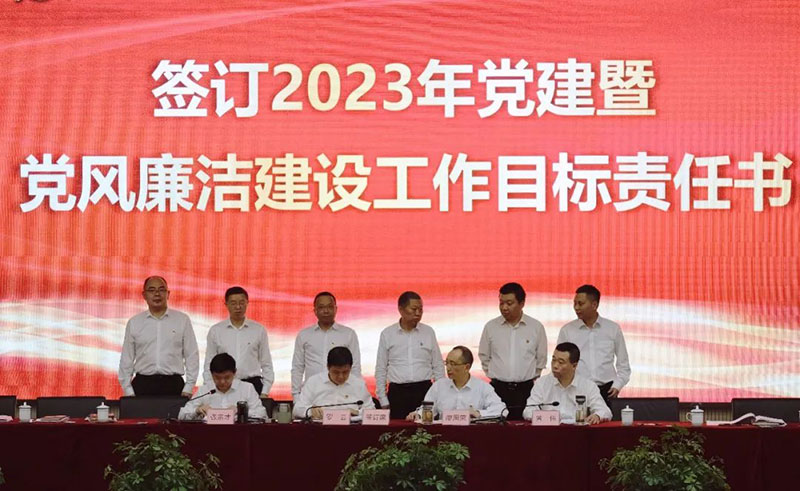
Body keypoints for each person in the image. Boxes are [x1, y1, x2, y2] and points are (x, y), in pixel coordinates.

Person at [118, 276, 199, 397]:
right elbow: (126, 359)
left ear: (168, 294)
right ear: (144, 295)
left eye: (161, 290)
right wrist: (128, 390)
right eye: (151, 290)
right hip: (143, 385)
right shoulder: (135, 322)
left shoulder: (182, 320)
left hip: (173, 385)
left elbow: (191, 355)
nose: (157, 294)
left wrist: (188, 387)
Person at [478, 282, 547, 420]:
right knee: (496, 426)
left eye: (509, 303)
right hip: (498, 389)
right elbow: (484, 356)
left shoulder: (536, 327)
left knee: (525, 427)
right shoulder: (491, 327)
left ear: (522, 303)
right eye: (501, 303)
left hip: (526, 390)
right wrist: (494, 373)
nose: (504, 307)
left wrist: (531, 376)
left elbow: (541, 358)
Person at [375, 291, 445, 419]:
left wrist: (439, 394)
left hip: (424, 392)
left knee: (426, 429)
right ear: (401, 309)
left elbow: (438, 365)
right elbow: (381, 368)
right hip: (398, 393)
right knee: (398, 430)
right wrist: (383, 399)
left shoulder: (428, 332)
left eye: (420, 309)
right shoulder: (388, 334)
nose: (418, 313)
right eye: (414, 309)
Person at [556, 284, 631, 404]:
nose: (576, 308)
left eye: (581, 303)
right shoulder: (567, 330)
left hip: (607, 391)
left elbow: (624, 365)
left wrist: (617, 385)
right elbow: (560, 363)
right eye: (574, 303)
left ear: (594, 305)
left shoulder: (612, 328)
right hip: (578, 391)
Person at [204, 286, 274, 398]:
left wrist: (265, 391)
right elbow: (209, 363)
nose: (238, 307)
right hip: (225, 385)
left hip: (252, 385)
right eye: (233, 303)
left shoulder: (258, 330)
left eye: (241, 302)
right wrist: (211, 388)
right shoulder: (216, 331)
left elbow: (266, 363)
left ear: (247, 303)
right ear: (226, 304)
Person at [291, 292, 361, 399]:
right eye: (321, 307)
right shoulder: (304, 335)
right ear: (315, 311)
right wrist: (296, 396)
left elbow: (355, 366)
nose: (326, 311)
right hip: (312, 393)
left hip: (341, 393)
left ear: (336, 309)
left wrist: (356, 392)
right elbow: (297, 367)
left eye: (330, 307)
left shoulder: (348, 334)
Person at [406, 346, 505, 421]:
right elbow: (428, 409)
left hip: (472, 435)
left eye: (453, 364)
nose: (448, 368)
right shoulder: (439, 386)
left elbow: (501, 410)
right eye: (447, 363)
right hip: (443, 436)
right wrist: (418, 415)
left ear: (466, 367)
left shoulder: (482, 387)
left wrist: (478, 413)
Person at [523, 342, 611, 424]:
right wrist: (550, 418)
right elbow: (528, 411)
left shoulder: (588, 386)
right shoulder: (541, 384)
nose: (555, 366)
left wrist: (597, 416)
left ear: (574, 365)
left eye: (561, 362)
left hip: (577, 432)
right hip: (550, 430)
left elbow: (605, 411)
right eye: (553, 360)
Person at [292, 346, 375, 420]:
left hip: (351, 429)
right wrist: (311, 411)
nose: (341, 377)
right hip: (320, 429)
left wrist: (358, 412)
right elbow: (297, 410)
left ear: (350, 368)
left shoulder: (358, 384)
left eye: (345, 372)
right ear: (328, 367)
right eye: (336, 372)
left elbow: (371, 411)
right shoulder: (313, 382)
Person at [178, 353, 266, 420]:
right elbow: (181, 415)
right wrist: (197, 410)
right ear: (211, 374)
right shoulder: (204, 390)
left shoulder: (247, 388)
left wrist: (241, 411)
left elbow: (262, 414)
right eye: (217, 378)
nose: (222, 382)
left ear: (234, 373)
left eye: (227, 377)